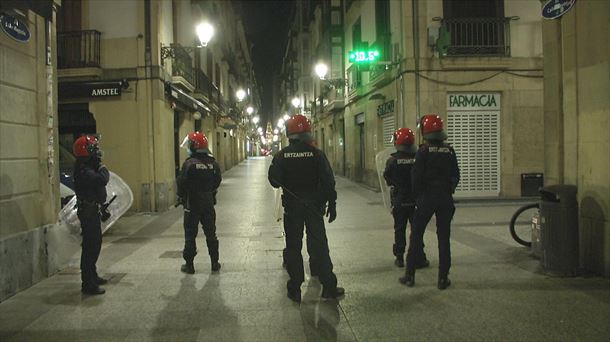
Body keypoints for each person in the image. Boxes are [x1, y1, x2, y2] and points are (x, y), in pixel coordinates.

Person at [268, 114, 344, 303]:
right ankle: (328, 287)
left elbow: (274, 181)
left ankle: (295, 288)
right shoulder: (317, 154)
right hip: (314, 207)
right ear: (307, 133)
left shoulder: (282, 155)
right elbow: (328, 181)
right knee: (320, 246)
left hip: (292, 209)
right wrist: (332, 204)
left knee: (293, 247)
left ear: (289, 134)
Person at [400, 114, 460, 290]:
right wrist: (449, 190)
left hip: (426, 198)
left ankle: (410, 275)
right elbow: (456, 174)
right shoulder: (450, 151)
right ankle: (443, 278)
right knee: (444, 238)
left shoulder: (423, 152)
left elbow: (415, 178)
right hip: (445, 199)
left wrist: (418, 197)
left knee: (416, 236)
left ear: (425, 132)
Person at [383, 128, 429, 269]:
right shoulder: (419, 158)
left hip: (400, 199)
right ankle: (419, 257)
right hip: (416, 199)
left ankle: (399, 258)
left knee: (399, 229)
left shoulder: (392, 160)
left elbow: (387, 178)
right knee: (417, 230)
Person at [176, 131, 222, 274]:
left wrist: (181, 196)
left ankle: (189, 265)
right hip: (208, 202)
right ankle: (215, 262)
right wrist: (209, 192)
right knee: (211, 233)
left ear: (194, 146)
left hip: (192, 203)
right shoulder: (213, 163)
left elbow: (182, 183)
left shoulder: (189, 164)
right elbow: (217, 181)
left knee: (190, 234)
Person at [73, 135, 110, 295]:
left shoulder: (88, 166)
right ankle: (88, 283)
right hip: (87, 212)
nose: (97, 152)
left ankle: (92, 276)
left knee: (95, 245)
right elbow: (100, 180)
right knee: (90, 247)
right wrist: (103, 169)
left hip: (92, 211)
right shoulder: (83, 170)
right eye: (93, 149)